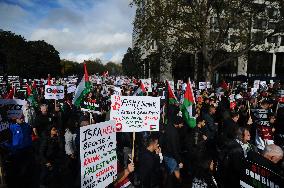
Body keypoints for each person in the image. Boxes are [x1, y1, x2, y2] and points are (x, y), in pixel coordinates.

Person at [4, 115, 34, 188]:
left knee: (26, 168)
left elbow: (30, 135)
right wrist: (9, 147)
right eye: (20, 118)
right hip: (16, 151)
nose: (21, 119)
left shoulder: (27, 126)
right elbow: (6, 137)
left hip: (26, 149)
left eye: (22, 118)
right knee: (17, 168)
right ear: (16, 119)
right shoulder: (12, 127)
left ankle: (27, 182)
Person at [162, 116, 184, 181]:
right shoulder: (174, 133)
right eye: (182, 124)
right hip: (171, 156)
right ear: (178, 123)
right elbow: (174, 148)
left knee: (168, 172)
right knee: (175, 171)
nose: (182, 125)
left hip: (166, 153)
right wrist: (179, 161)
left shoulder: (168, 127)